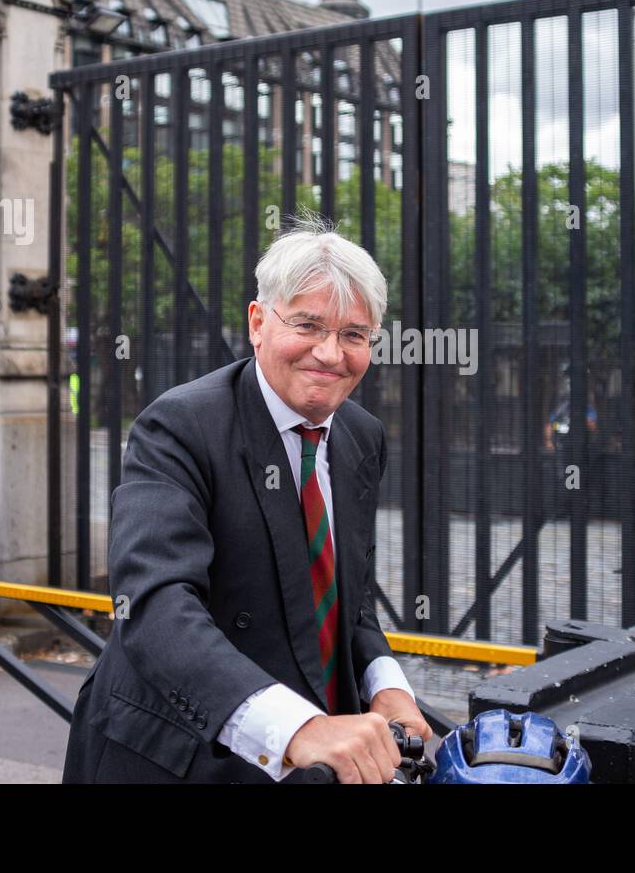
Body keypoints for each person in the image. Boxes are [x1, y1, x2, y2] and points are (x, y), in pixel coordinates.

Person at [63, 216, 431, 783]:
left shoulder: (361, 436)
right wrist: (300, 729)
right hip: (182, 757)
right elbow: (155, 605)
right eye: (307, 324)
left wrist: (386, 687)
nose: (331, 354)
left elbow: (346, 598)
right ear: (258, 323)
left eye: (355, 335)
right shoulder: (180, 425)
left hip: (316, 759)